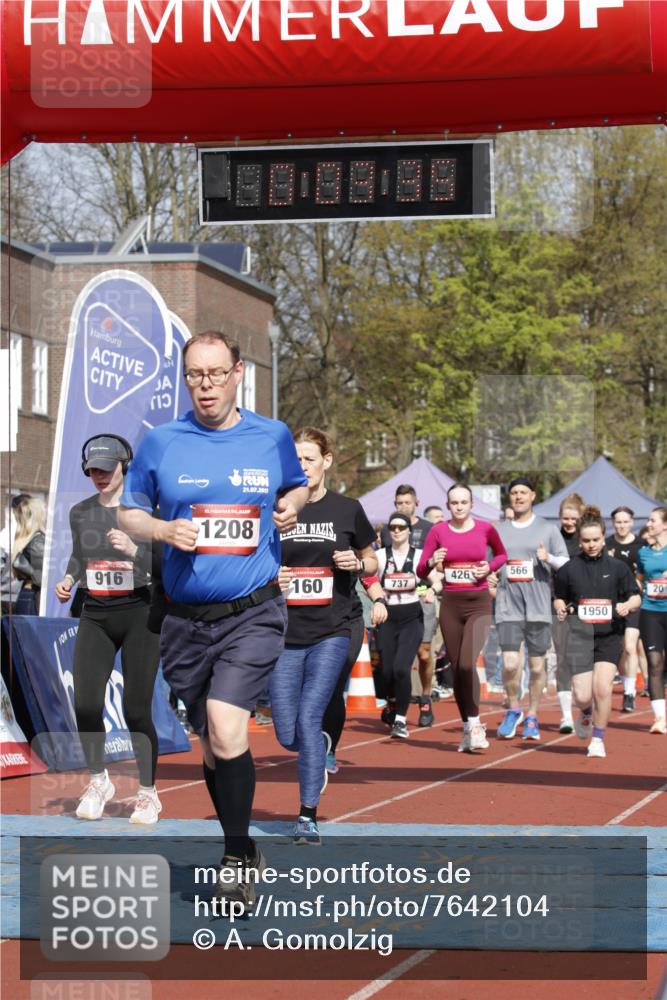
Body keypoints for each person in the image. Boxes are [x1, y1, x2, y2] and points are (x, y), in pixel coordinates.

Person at [118, 330, 308, 910]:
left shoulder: (271, 437)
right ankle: (242, 845)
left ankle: (232, 856)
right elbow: (128, 514)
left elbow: (297, 489)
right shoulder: (161, 444)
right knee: (211, 746)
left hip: (252, 611)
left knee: (228, 727)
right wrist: (162, 530)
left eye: (215, 374)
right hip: (183, 621)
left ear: (237, 372)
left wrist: (292, 507)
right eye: (195, 376)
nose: (206, 387)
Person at [271, 428, 377, 844]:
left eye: (309, 459)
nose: (302, 467)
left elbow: (371, 562)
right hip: (284, 634)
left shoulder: (347, 509)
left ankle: (306, 814)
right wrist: (270, 577)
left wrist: (357, 563)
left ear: (327, 461)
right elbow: (257, 559)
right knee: (286, 731)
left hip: (331, 629)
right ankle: (318, 751)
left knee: (310, 716)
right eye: (295, 460)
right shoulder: (279, 510)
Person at [54, 435, 162, 823]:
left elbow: (166, 563)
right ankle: (99, 780)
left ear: (124, 466)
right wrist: (69, 578)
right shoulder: (82, 512)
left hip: (140, 615)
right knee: (84, 704)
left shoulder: (146, 511)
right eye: (92, 470)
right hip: (95, 613)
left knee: (135, 709)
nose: (99, 475)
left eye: (106, 468)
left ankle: (148, 793)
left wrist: (135, 551)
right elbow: (80, 556)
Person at [417, 484, 507, 752]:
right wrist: (433, 560)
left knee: (467, 664)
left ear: (471, 504)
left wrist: (487, 568)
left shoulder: (485, 529)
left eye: (463, 502)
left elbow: (502, 555)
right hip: (451, 605)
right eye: (454, 503)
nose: (458, 507)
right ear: (447, 506)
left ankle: (476, 723)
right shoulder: (438, 531)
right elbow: (421, 568)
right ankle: (468, 728)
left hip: (478, 603)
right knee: (458, 670)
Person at [553, 506, 640, 758]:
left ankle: (598, 739)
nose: (591, 545)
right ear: (579, 540)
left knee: (602, 689)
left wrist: (626, 605)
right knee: (582, 695)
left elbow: (635, 597)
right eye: (586, 541)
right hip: (580, 637)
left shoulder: (618, 568)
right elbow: (559, 598)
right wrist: (560, 609)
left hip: (609, 636)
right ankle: (587, 712)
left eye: (595, 540)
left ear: (604, 537)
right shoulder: (569, 569)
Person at [493, 477, 569, 741]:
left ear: (533, 496)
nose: (518, 497)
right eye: (514, 493)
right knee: (511, 664)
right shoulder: (500, 531)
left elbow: (566, 564)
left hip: (538, 607)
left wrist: (549, 559)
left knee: (537, 668)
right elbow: (489, 564)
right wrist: (490, 577)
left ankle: (533, 715)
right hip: (508, 606)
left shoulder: (548, 530)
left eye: (523, 492)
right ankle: (514, 708)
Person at [374, 512, 438, 739]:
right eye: (393, 527)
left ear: (410, 530)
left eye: (402, 527)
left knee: (402, 668)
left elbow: (437, 578)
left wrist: (432, 589)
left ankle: (400, 719)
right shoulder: (380, 556)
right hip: (387, 618)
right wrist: (377, 602)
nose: (398, 531)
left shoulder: (420, 556)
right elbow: (368, 579)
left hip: (412, 617)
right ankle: (392, 702)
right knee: (388, 671)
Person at [606, 506, 644, 712]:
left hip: (634, 601)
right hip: (612, 604)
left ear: (631, 522)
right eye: (618, 522)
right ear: (613, 524)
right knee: (620, 650)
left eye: (625, 522)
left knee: (630, 647)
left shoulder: (642, 545)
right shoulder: (607, 545)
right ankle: (625, 680)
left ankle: (629, 693)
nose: (621, 525)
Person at [553, 493, 585, 732]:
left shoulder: (587, 539)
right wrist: (557, 601)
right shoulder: (554, 537)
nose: (569, 522)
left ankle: (586, 708)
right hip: (559, 607)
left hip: (585, 607)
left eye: (574, 518)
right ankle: (565, 715)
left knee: (583, 661)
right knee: (563, 659)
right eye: (565, 518)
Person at [635, 507, 667, 734]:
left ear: (665, 525)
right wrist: (642, 590)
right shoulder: (643, 552)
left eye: (653, 520)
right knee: (654, 663)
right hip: (650, 611)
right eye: (648, 519)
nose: (649, 523)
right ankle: (659, 717)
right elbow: (638, 579)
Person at [12, 496, 46, 615]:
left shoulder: (32, 540)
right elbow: (44, 578)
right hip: (33, 597)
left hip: (28, 594)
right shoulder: (37, 541)